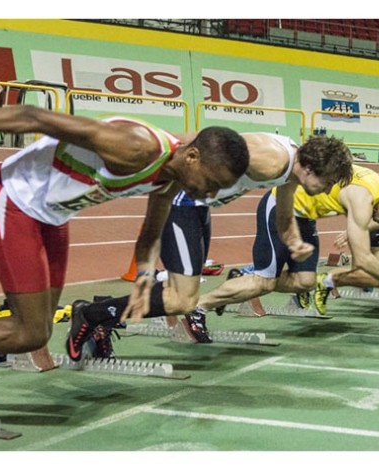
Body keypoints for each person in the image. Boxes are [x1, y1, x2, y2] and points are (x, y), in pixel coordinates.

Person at [0, 105, 250, 416]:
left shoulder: (171, 177)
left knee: (35, 328)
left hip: (51, 216)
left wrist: (145, 276)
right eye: (211, 181)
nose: (210, 193)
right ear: (193, 155)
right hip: (15, 200)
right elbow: (32, 116)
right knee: (30, 333)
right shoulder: (134, 147)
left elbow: (151, 231)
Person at [68, 133, 354, 346]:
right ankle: (93, 315)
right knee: (182, 299)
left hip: (197, 208)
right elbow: (203, 143)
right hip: (180, 203)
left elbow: (283, 211)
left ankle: (97, 314)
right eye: (328, 182)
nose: (328, 189)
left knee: (184, 297)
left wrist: (293, 241)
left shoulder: (290, 168)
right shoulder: (270, 160)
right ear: (309, 168)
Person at [193, 165, 379, 327]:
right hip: (282, 209)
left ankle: (241, 284)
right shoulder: (362, 198)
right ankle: (199, 306)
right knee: (263, 282)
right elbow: (362, 260)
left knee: (305, 282)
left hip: (306, 218)